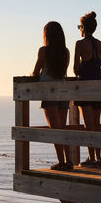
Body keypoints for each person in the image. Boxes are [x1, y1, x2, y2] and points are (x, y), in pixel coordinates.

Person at [31, 21, 73, 171]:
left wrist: (33, 75)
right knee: (62, 128)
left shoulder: (44, 51)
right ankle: (69, 160)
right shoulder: (66, 51)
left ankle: (62, 162)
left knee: (55, 129)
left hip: (49, 93)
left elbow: (36, 71)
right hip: (63, 91)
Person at [73, 12, 101, 168]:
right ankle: (99, 157)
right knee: (96, 123)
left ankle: (91, 158)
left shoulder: (80, 44)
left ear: (83, 28)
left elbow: (75, 69)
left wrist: (84, 73)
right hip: (98, 86)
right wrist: (97, 74)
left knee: (88, 125)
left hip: (85, 86)